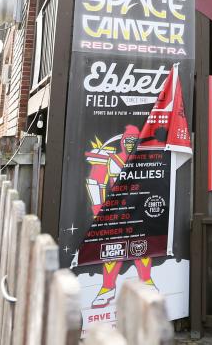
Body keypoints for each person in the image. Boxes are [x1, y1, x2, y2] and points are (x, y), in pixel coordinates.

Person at [84, 125, 156, 308]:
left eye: (134, 141)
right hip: (116, 210)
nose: (131, 145)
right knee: (112, 248)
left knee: (143, 246)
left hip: (140, 209)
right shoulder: (113, 160)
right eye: (128, 141)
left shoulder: (145, 159)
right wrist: (98, 208)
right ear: (123, 142)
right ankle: (108, 287)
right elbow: (95, 182)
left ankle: (146, 281)